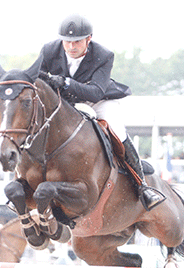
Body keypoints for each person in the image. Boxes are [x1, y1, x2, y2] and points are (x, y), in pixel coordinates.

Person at [37, 14, 165, 211]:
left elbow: (96, 91)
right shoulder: (49, 50)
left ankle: (142, 186)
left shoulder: (103, 55)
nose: (71, 47)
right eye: (67, 41)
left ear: (89, 38)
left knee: (117, 130)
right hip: (67, 102)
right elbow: (39, 79)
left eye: (77, 41)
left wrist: (67, 82)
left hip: (98, 100)